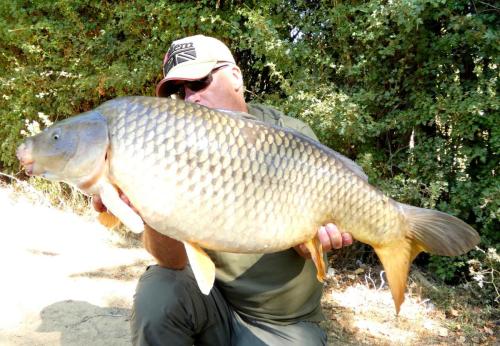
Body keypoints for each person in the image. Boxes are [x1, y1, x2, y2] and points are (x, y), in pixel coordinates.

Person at [96, 34, 353, 345]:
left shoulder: (289, 138)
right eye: (179, 92)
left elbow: (306, 247)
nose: (190, 98)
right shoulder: (172, 149)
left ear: (235, 77)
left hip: (283, 324)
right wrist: (148, 208)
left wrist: (316, 237)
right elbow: (173, 261)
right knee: (158, 291)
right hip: (212, 304)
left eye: (200, 81)